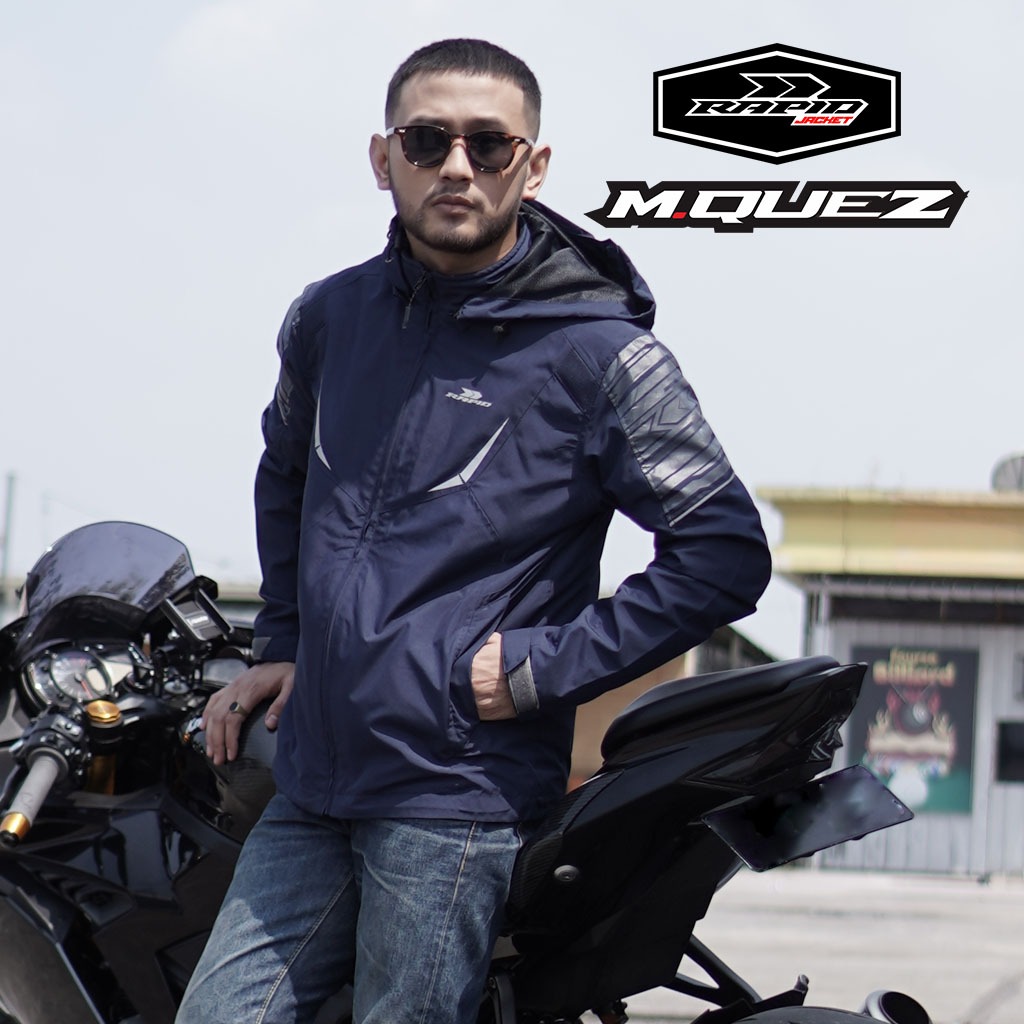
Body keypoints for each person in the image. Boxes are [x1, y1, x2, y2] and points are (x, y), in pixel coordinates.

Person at [177, 37, 772, 1024]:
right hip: (317, 777)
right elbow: (286, 474)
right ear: (385, 159)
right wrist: (283, 642)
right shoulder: (327, 318)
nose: (457, 166)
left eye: (488, 145)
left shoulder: (602, 355)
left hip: (456, 794)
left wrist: (543, 666)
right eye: (428, 140)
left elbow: (723, 554)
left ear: (532, 167)